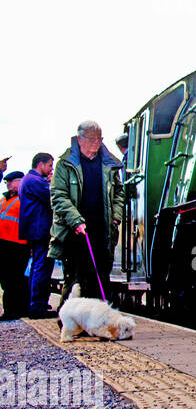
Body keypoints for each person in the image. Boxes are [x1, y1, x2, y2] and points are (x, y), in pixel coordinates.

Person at [51, 121, 124, 305]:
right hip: (74, 230)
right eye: (91, 139)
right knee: (75, 279)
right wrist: (75, 220)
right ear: (79, 139)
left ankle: (98, 321)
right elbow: (58, 195)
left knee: (100, 277)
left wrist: (116, 217)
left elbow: (119, 192)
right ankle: (68, 323)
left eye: (99, 138)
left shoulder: (109, 164)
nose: (96, 143)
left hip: (103, 229)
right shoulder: (65, 165)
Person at [19, 153, 55, 317]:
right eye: (49, 166)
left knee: (36, 267)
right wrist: (52, 182)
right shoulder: (35, 181)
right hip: (40, 229)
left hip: (34, 229)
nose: (50, 170)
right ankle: (37, 306)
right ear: (41, 164)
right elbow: (52, 197)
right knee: (42, 267)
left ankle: (35, 304)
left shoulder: (27, 180)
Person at [1, 171, 28, 319]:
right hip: (4, 244)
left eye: (11, 181)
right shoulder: (4, 199)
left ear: (20, 182)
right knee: (6, 280)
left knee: (15, 279)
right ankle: (11, 309)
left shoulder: (23, 199)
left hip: (18, 244)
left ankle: (14, 310)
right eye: (7, 182)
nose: (8, 184)